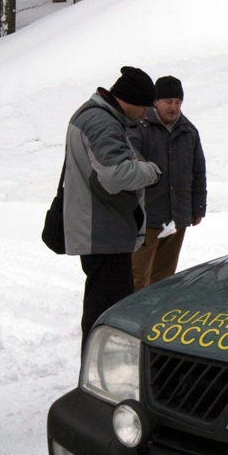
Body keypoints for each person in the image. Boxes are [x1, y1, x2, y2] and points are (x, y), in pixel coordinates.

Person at [63, 66, 161, 355]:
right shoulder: (101, 122)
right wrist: (152, 172)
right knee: (107, 313)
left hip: (103, 228)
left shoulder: (98, 116)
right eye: (143, 106)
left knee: (103, 308)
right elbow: (116, 174)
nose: (144, 114)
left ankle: (99, 367)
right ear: (128, 100)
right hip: (102, 232)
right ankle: (100, 372)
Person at [128, 75, 207, 291]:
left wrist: (198, 206)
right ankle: (130, 319)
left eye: (178, 102)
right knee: (138, 275)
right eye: (168, 102)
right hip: (147, 216)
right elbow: (129, 151)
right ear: (155, 102)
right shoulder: (140, 126)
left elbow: (198, 171)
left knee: (164, 277)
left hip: (177, 216)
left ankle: (154, 317)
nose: (174, 107)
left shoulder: (189, 131)